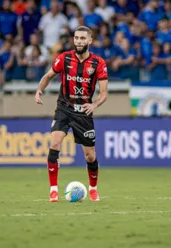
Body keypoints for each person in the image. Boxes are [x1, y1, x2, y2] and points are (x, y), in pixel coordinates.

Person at [34, 26, 108, 202]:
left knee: (90, 155)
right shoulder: (65, 58)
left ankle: (93, 189)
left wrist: (94, 104)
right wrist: (39, 90)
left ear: (90, 41)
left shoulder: (98, 63)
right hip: (64, 108)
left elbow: (104, 93)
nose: (79, 41)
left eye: (83, 38)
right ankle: (53, 190)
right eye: (76, 38)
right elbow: (47, 76)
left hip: (83, 112)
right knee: (54, 143)